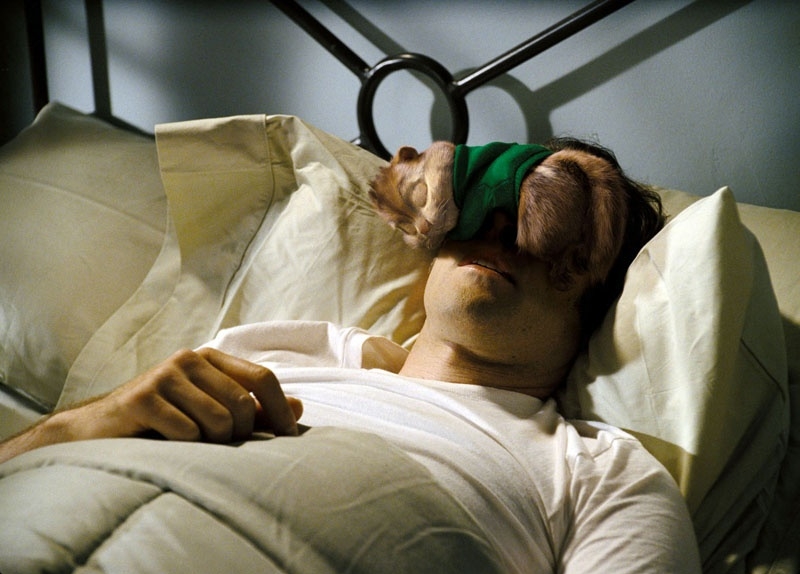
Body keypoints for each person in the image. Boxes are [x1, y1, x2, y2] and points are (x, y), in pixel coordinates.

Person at [0, 139, 701, 572]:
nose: (501, 234)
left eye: (543, 233)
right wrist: (77, 425)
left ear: (596, 293)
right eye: (484, 209)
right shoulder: (281, 349)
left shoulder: (601, 474)